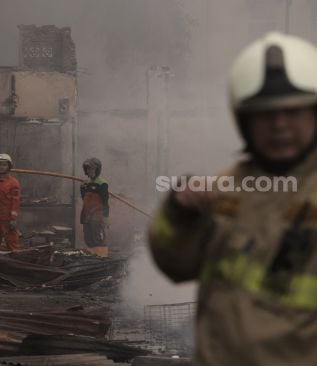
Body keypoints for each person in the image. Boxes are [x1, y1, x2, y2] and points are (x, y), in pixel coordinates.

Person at [148, 32, 317, 365]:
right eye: (265, 114)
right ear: (244, 121)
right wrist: (180, 212)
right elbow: (176, 265)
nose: (279, 125)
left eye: (293, 112)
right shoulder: (228, 186)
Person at [80, 158, 109, 257]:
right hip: (87, 216)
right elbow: (84, 199)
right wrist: (82, 188)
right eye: (87, 169)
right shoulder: (86, 183)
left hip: (97, 216)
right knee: (88, 239)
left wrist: (105, 216)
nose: (89, 171)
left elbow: (105, 201)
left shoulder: (102, 183)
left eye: (91, 169)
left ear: (97, 170)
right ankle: (92, 259)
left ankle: (101, 259)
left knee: (97, 239)